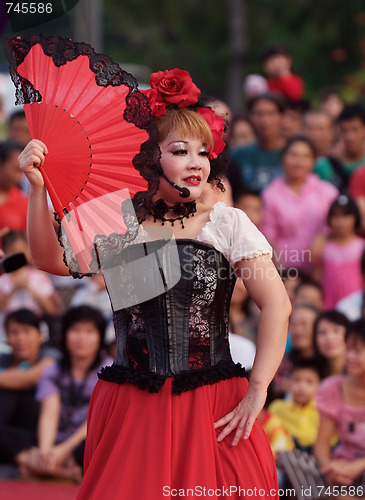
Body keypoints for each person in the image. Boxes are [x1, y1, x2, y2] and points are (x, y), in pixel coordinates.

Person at [18, 68, 291, 499]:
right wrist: (37, 189)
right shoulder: (118, 218)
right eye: (181, 151)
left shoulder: (226, 222)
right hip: (132, 403)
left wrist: (259, 391)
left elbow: (277, 305)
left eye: (204, 152)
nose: (197, 162)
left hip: (213, 406)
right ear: (149, 157)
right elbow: (48, 259)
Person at [16, 306, 112, 482]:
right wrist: (46, 452)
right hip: (56, 439)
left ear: (100, 337)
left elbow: (98, 418)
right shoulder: (53, 369)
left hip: (85, 440)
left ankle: (43, 466)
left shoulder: (110, 370)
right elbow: (49, 411)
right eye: (75, 330)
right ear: (65, 334)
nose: (81, 338)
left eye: (89, 331)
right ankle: (58, 468)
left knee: (103, 445)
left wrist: (64, 451)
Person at [260, 136, 338, 273]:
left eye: (305, 156)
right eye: (293, 155)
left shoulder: (327, 192)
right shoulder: (271, 193)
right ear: (283, 159)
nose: (299, 161)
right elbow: (268, 233)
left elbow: (340, 224)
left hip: (322, 270)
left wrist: (325, 236)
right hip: (287, 270)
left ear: (313, 161)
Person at [0, 309, 59, 469]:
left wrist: (9, 378)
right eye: (14, 333)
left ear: (40, 335)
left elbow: (30, 378)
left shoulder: (52, 356)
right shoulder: (4, 359)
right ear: (7, 338)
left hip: (37, 430)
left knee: (10, 392)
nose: (20, 339)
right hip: (8, 430)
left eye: (27, 332)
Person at [314, 318, 365, 491]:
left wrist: (359, 465)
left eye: (357, 351)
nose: (349, 356)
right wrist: (330, 467)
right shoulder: (332, 388)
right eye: (348, 348)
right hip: (342, 470)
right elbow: (322, 444)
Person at [311, 195, 365, 310]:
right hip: (327, 305)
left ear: (355, 218)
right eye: (335, 216)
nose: (340, 221)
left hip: (354, 306)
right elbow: (317, 274)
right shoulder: (323, 246)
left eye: (346, 216)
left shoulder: (361, 246)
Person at [229, 92, 287, 193]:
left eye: (270, 114)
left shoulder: (292, 153)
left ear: (282, 117)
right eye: (259, 114)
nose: (264, 120)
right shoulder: (238, 155)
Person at [269, 358, 321, 453]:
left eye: (309, 382)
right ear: (288, 383)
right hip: (285, 454)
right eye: (297, 380)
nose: (302, 386)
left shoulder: (322, 411)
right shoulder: (277, 407)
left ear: (319, 386)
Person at [313, 310, 349, 378]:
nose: (329, 338)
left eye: (336, 330)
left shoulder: (359, 372)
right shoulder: (310, 372)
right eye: (322, 332)